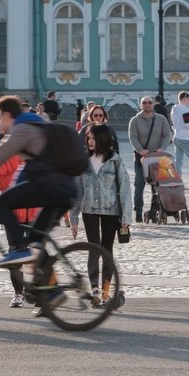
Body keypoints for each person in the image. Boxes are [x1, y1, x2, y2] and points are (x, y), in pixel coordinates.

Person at [0, 95, 78, 267]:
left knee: (2, 203)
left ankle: (18, 249)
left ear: (7, 116)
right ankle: (52, 292)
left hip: (52, 188)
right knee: (35, 244)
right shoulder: (35, 125)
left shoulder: (23, 129)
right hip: (65, 190)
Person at [69, 124, 132, 306]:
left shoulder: (115, 160)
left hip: (111, 211)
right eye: (88, 138)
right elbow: (78, 190)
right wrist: (73, 217)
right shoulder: (83, 161)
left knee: (106, 250)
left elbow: (125, 189)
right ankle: (95, 290)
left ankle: (105, 291)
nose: (89, 141)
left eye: (93, 138)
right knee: (93, 248)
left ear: (102, 139)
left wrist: (126, 218)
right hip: (89, 210)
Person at [0, 151, 40, 309]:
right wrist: (19, 176)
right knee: (16, 253)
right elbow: (0, 182)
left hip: (36, 210)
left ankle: (38, 291)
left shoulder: (37, 151)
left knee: (37, 252)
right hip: (14, 212)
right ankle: (18, 293)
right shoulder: (7, 154)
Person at [128, 96, 172, 223]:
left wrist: (163, 147)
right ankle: (138, 211)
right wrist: (140, 150)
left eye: (149, 102)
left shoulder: (161, 119)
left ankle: (155, 211)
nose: (147, 104)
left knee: (157, 187)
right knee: (139, 186)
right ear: (140, 105)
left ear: (153, 104)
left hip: (157, 157)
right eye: (144, 102)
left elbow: (166, 134)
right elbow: (133, 137)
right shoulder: (135, 120)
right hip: (141, 159)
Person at [170, 91, 189, 189]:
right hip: (184, 138)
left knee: (178, 161)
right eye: (188, 100)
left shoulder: (174, 110)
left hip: (177, 137)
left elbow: (174, 124)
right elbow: (188, 125)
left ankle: (178, 182)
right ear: (184, 98)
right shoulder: (185, 111)